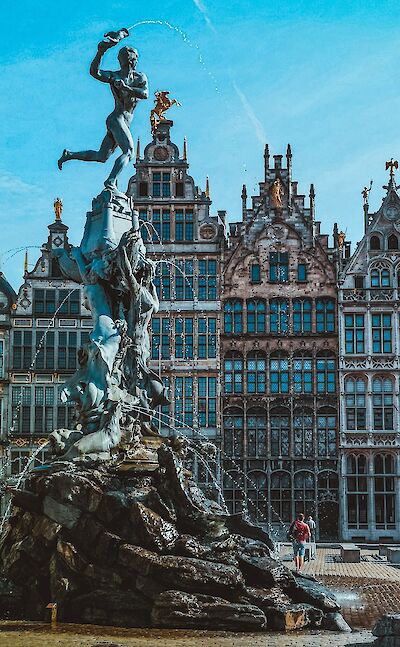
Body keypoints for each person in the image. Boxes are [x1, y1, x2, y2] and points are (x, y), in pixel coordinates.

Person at [58, 29, 149, 189]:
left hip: (123, 122)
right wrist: (100, 52)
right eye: (135, 58)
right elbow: (94, 72)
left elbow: (145, 94)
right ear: (132, 60)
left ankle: (69, 155)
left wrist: (126, 87)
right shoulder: (114, 77)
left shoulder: (139, 77)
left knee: (101, 156)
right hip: (116, 119)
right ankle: (111, 181)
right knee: (129, 152)